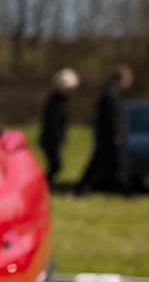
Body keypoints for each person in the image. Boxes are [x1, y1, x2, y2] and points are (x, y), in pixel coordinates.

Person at [76, 65, 133, 196]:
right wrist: (117, 134)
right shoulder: (110, 96)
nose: (129, 82)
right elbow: (113, 118)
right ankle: (127, 192)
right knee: (118, 165)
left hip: (108, 138)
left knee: (101, 165)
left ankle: (82, 189)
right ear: (121, 79)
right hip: (109, 138)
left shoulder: (113, 94)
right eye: (128, 79)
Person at [40, 68, 77, 188]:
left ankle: (46, 183)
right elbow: (53, 123)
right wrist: (59, 138)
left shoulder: (62, 101)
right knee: (56, 165)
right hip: (50, 139)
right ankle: (43, 184)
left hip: (53, 139)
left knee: (55, 165)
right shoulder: (55, 103)